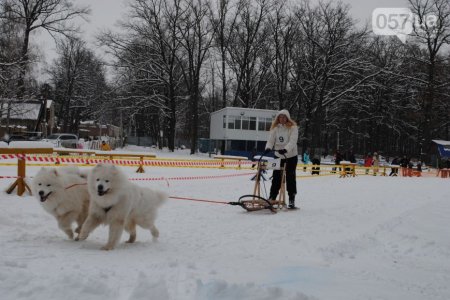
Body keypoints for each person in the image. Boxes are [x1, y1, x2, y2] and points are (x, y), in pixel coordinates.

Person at [264, 109, 299, 209]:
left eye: (284, 117)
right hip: (278, 156)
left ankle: (291, 199)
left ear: (287, 118)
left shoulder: (293, 127)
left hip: (291, 156)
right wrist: (268, 147)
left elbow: (293, 141)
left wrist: (285, 149)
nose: (282, 119)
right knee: (276, 177)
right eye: (280, 117)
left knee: (290, 178)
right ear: (278, 118)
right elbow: (270, 140)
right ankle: (272, 197)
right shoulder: (275, 128)